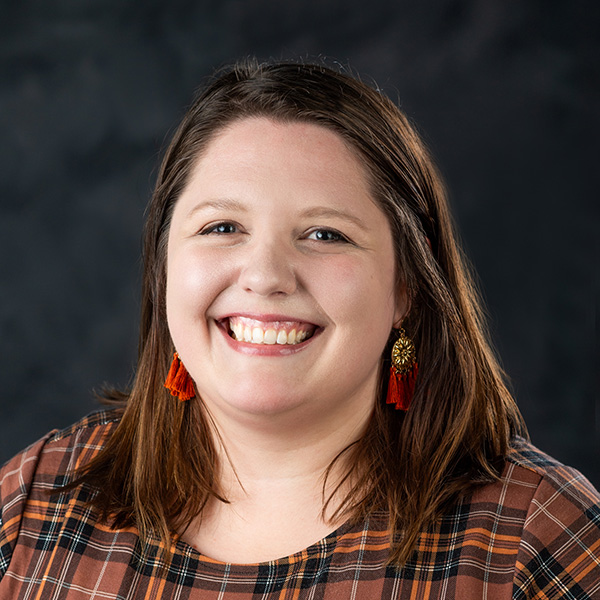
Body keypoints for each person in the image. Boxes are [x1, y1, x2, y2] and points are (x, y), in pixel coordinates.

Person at [0, 59, 598, 599]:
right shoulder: (35, 499)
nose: (264, 277)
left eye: (324, 235)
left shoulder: (535, 538)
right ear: (164, 267)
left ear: (405, 289)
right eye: (222, 227)